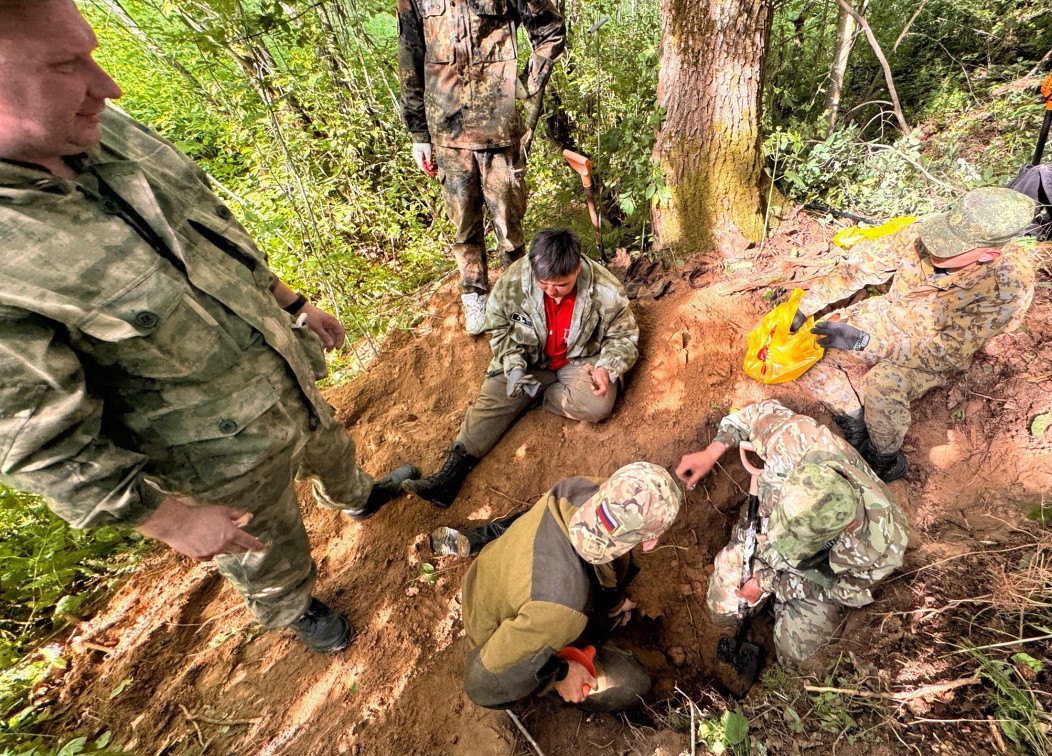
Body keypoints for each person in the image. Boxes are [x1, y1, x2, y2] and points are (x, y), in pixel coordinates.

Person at [0, 0, 418, 654]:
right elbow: (37, 442)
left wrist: (292, 305)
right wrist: (170, 521)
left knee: (331, 447)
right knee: (264, 546)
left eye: (89, 52)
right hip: (211, 457)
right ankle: (294, 607)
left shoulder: (105, 127)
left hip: (282, 368)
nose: (106, 86)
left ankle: (359, 498)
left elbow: (214, 227)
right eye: (63, 64)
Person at [794, 186, 1037, 481]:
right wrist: (806, 306)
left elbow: (947, 351)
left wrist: (864, 343)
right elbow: (860, 269)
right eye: (941, 237)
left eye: (951, 247)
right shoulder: (925, 230)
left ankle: (884, 459)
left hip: (930, 347)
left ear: (989, 254)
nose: (936, 247)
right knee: (808, 347)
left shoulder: (1007, 286)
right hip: (888, 316)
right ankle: (855, 423)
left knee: (883, 383)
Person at [406, 228, 638, 507]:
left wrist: (607, 368)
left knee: (597, 406)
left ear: (577, 267)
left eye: (561, 286)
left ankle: (537, 396)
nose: (552, 293)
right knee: (492, 403)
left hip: (579, 360)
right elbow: (498, 326)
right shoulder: (515, 279)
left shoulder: (605, 289)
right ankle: (450, 475)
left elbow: (624, 336)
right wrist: (513, 364)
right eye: (543, 284)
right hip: (527, 359)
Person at [676, 400, 907, 665]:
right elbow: (750, 417)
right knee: (723, 602)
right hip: (762, 531)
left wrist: (768, 583)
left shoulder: (880, 547)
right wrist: (712, 451)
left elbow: (840, 591)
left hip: (817, 577)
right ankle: (733, 625)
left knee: (801, 657)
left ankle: (780, 627)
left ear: (848, 527)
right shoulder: (799, 442)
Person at [397, 0, 565, 335]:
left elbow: (550, 30)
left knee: (509, 224)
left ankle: (518, 294)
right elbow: (409, 56)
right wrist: (418, 133)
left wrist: (527, 83)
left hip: (498, 129)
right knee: (463, 224)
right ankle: (474, 294)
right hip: (446, 130)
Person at [460, 462, 682, 710]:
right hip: (496, 633)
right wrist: (560, 674)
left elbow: (605, 553)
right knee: (632, 683)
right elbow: (481, 685)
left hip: (494, 572)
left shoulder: (579, 488)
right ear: (650, 543)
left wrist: (612, 603)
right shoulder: (563, 610)